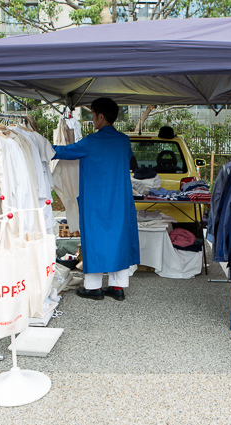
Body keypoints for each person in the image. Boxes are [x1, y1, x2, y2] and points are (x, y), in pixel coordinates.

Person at [53, 97, 140, 301]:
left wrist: (41, 147)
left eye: (92, 115)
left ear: (101, 116)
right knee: (119, 239)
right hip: (120, 200)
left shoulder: (91, 142)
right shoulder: (123, 141)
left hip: (95, 200)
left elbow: (63, 152)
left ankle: (93, 288)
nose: (92, 119)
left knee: (94, 239)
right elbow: (126, 160)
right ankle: (117, 287)